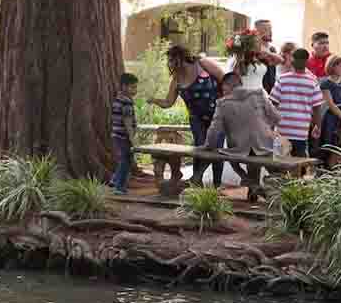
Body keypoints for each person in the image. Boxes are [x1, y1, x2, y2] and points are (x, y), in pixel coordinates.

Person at [150, 44, 227, 186]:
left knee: (217, 149)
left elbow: (225, 79)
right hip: (196, 119)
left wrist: (227, 101)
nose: (170, 64)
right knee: (199, 148)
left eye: (172, 60)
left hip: (217, 114)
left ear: (180, 57)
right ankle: (197, 184)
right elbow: (168, 102)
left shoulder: (202, 63)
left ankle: (215, 185)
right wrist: (154, 100)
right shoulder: (176, 79)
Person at [204, 72, 281, 202]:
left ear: (229, 86)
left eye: (224, 89)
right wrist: (264, 126)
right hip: (265, 145)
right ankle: (258, 189)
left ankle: (253, 186)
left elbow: (213, 131)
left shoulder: (222, 104)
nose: (223, 93)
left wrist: (207, 146)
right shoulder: (259, 94)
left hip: (239, 150)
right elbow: (276, 117)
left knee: (230, 158)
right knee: (268, 165)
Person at [270, 48, 325, 158]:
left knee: (281, 162)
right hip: (301, 131)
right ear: (307, 62)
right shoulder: (312, 81)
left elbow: (272, 104)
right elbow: (317, 107)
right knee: (298, 163)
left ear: (292, 61)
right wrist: (317, 126)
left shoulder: (282, 79)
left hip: (282, 130)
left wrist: (270, 127)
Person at [111, 73, 139, 195]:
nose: (135, 90)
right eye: (132, 87)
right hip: (124, 136)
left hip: (116, 135)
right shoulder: (126, 102)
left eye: (135, 87)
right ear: (123, 86)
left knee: (124, 159)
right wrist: (133, 139)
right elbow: (127, 122)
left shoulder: (118, 99)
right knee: (126, 161)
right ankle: (119, 187)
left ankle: (115, 179)